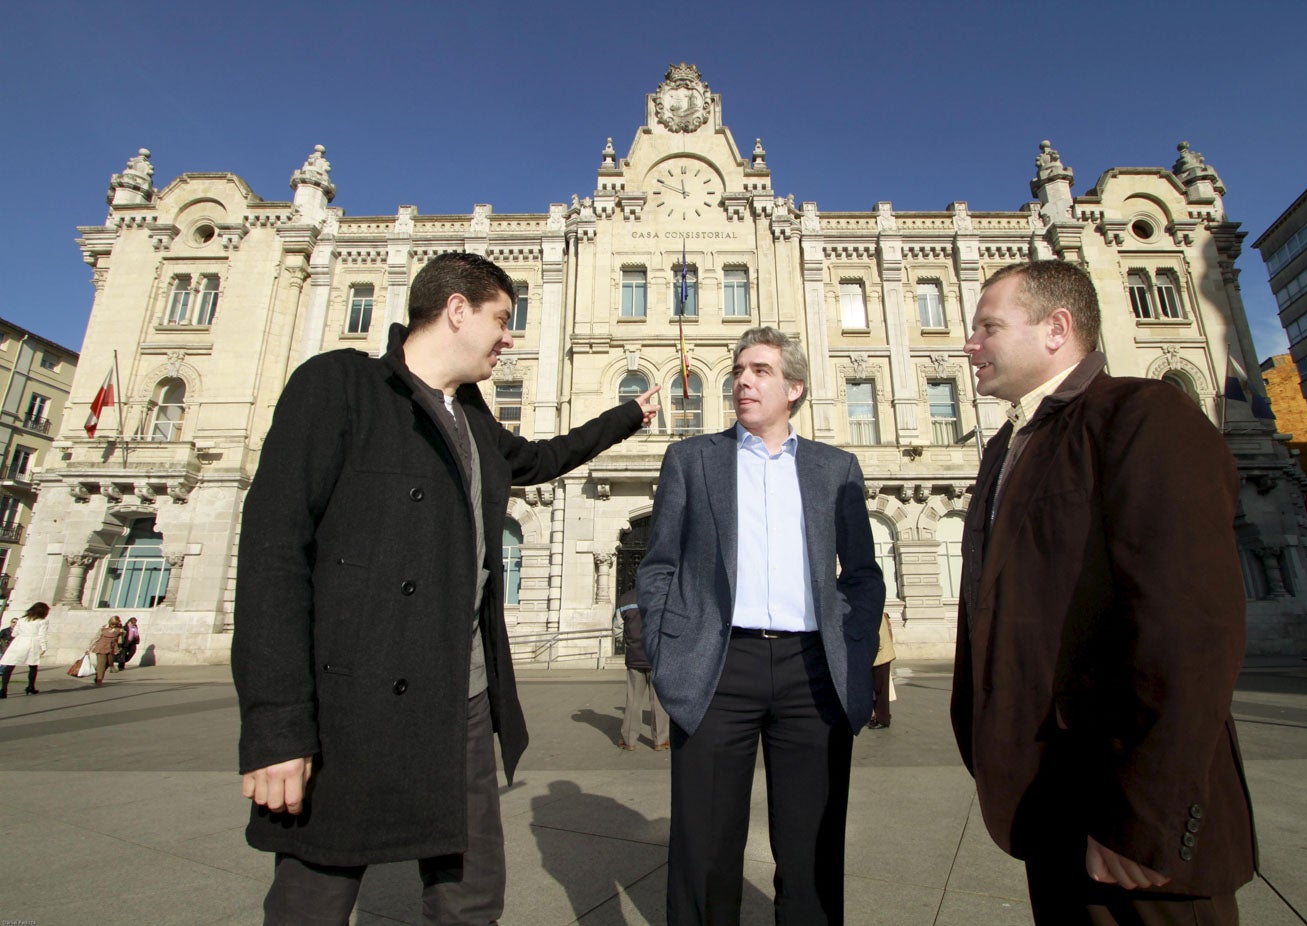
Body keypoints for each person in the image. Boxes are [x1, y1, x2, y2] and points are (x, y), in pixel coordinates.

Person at [232, 250, 658, 926]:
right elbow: (272, 554)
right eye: (501, 319)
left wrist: (629, 414)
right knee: (314, 896)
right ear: (456, 310)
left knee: (471, 896)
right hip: (351, 698)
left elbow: (543, 459)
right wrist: (276, 727)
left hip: (461, 695)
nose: (508, 337)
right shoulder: (340, 385)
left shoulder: (473, 419)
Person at [951, 260, 1256, 924]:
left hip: (1133, 833)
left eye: (987, 326)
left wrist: (1146, 817)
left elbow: (1190, 628)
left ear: (1055, 329)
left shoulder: (1143, 415)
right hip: (1049, 808)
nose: (969, 344)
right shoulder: (1008, 447)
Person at [638, 326, 885, 925]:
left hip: (812, 673)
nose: (743, 380)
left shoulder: (836, 468)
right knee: (704, 845)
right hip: (719, 668)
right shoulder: (693, 460)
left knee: (811, 848)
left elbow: (862, 574)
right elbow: (660, 565)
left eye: (761, 371)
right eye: (740, 369)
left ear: (794, 387)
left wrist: (851, 649)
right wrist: (669, 651)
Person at [615, 586, 669, 750]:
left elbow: (617, 630)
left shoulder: (625, 599)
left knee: (633, 700)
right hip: (657, 657)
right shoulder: (662, 597)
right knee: (659, 701)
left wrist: (628, 644)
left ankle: (629, 740)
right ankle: (660, 740)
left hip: (634, 657)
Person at [0, 603, 50, 696]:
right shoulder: (42, 621)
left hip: (19, 642)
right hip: (32, 642)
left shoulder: (22, 620)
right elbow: (42, 635)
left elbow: (14, 633)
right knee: (33, 666)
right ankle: (30, 687)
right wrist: (43, 647)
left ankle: (3, 689)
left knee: (10, 665)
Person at [868, 613, 895, 730]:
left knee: (880, 689)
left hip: (880, 657)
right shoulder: (877, 612)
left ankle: (883, 720)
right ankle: (880, 715)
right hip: (880, 657)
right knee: (878, 688)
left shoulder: (876, 614)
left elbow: (878, 640)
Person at [89, 615, 124, 685]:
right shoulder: (104, 628)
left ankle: (98, 674)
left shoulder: (120, 629)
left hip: (112, 648)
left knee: (109, 663)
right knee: (101, 663)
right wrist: (89, 647)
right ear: (110, 622)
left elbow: (120, 641)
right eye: (113, 624)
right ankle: (99, 679)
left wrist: (122, 634)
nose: (114, 625)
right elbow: (96, 637)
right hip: (101, 647)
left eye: (115, 624)